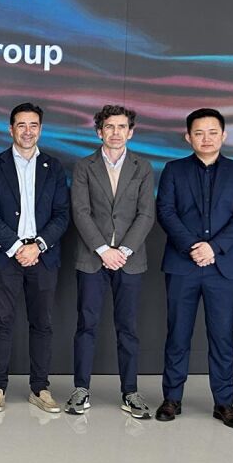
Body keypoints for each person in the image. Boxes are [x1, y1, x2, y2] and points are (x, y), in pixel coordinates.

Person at [155, 108, 233, 428]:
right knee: (177, 335)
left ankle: (224, 403)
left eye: (213, 132)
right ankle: (172, 398)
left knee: (222, 337)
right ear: (188, 137)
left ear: (223, 135)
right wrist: (193, 247)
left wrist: (214, 247)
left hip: (222, 268)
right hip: (182, 265)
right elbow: (166, 211)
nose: (206, 138)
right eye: (199, 133)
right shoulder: (174, 170)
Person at [0, 103, 70, 414]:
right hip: (5, 256)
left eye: (33, 125)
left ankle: (40, 388)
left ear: (40, 130)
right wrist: (17, 246)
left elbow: (62, 214)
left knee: (42, 324)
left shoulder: (53, 167)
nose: (27, 131)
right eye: (21, 125)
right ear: (11, 129)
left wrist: (38, 246)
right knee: (1, 323)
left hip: (43, 256)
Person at [67, 105, 156, 419]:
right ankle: (81, 389)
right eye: (109, 127)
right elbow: (80, 212)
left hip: (130, 260)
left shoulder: (142, 166)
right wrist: (104, 250)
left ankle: (130, 392)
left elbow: (146, 214)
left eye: (121, 127)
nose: (115, 132)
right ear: (99, 131)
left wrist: (124, 251)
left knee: (128, 328)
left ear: (130, 132)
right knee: (86, 325)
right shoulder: (84, 166)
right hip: (92, 258)